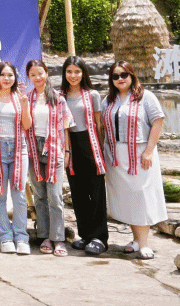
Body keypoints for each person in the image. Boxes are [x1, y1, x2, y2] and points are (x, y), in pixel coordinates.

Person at [103, 61, 166, 260]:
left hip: (139, 154)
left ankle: (144, 243)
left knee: (141, 196)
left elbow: (158, 122)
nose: (120, 79)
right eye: (115, 76)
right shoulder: (108, 100)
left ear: (131, 75)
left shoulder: (145, 97)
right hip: (116, 156)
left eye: (124, 75)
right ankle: (136, 239)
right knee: (127, 198)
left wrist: (149, 151)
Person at [61, 55, 109, 255]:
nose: (73, 75)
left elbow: (99, 124)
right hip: (70, 145)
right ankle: (86, 235)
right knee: (78, 193)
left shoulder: (92, 95)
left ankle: (100, 238)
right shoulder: (60, 96)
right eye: (69, 71)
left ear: (83, 73)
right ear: (64, 73)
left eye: (77, 71)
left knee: (96, 192)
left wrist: (102, 150)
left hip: (90, 145)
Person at [25, 59, 74, 257]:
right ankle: (45, 236)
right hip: (33, 148)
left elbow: (66, 126)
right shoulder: (27, 99)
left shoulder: (58, 98)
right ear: (28, 77)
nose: (37, 77)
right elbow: (24, 125)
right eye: (33, 75)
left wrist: (67, 151)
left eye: (40, 73)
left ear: (46, 73)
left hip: (54, 148)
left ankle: (58, 238)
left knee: (55, 196)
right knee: (40, 195)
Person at [0, 61, 32, 254]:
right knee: (0, 194)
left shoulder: (19, 97)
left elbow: (27, 125)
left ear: (15, 78)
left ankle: (21, 237)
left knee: (19, 194)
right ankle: (5, 236)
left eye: (10, 75)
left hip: (18, 148)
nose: (6, 78)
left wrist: (25, 106)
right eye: (3, 75)